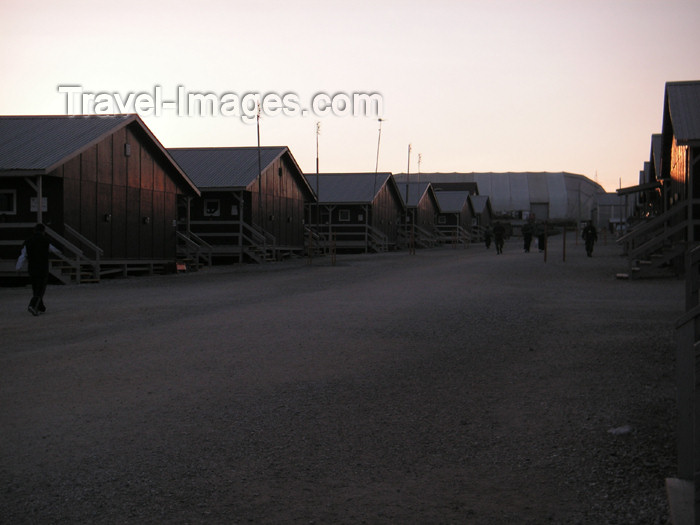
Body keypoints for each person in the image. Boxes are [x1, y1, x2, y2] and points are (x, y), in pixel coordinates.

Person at [16, 224, 62, 316]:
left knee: (35, 288)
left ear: (34, 231)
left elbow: (23, 255)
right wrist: (60, 252)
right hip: (42, 268)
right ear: (43, 231)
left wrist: (18, 267)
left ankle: (40, 306)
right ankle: (33, 305)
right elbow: (55, 250)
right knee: (40, 289)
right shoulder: (45, 241)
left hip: (32, 268)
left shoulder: (28, 241)